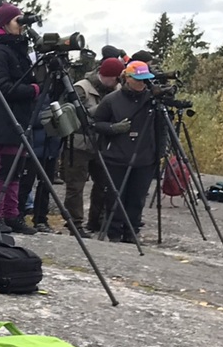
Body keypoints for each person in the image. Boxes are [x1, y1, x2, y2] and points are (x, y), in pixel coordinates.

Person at [0, 2, 40, 234]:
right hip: (5, 118)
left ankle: (11, 215)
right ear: (5, 23)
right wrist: (33, 90)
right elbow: (1, 87)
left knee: (17, 170)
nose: (22, 25)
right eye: (18, 21)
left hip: (19, 117)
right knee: (5, 169)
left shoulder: (16, 48)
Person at [90, 60, 164, 243]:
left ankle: (132, 232)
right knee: (115, 197)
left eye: (145, 79)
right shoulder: (112, 100)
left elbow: (161, 129)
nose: (142, 83)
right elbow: (96, 124)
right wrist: (113, 128)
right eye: (138, 79)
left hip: (145, 158)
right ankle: (114, 232)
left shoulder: (153, 101)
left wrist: (159, 154)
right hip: (116, 157)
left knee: (137, 198)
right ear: (127, 78)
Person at [65, 55, 125, 231]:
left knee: (103, 185)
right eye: (115, 78)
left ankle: (96, 221)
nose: (117, 82)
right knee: (75, 186)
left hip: (102, 143)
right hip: (79, 143)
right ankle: (75, 224)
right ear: (106, 75)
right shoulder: (81, 88)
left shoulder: (117, 89)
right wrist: (102, 108)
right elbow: (72, 115)